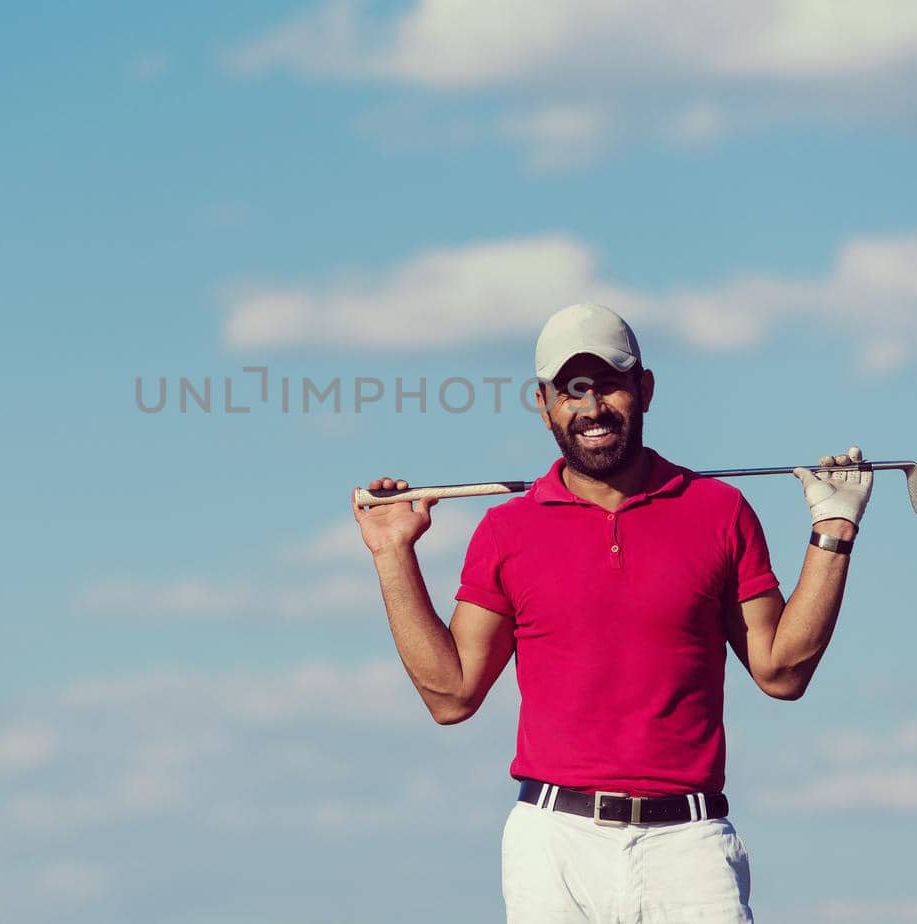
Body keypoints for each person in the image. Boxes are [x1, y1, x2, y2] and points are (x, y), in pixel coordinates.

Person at [351, 302, 872, 924]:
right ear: (543, 404)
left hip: (690, 847)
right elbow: (451, 695)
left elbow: (782, 673)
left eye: (608, 385)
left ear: (644, 389)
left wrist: (833, 529)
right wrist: (391, 553)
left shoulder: (719, 510)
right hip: (554, 846)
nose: (591, 407)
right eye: (571, 390)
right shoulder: (505, 530)